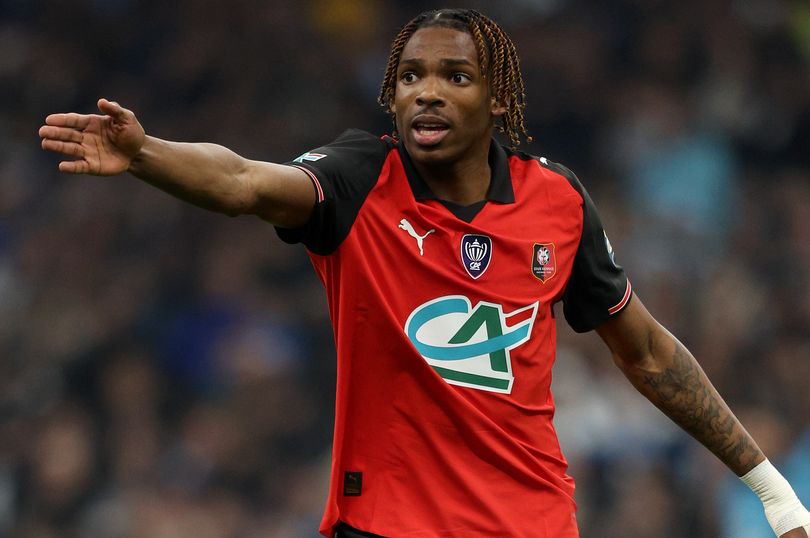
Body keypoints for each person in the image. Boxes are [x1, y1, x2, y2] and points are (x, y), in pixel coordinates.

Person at [38, 8, 809, 538]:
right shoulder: (356, 178)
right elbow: (243, 181)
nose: (427, 91)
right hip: (385, 525)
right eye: (409, 76)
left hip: (529, 524)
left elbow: (647, 353)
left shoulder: (558, 202)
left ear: (497, 98)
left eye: (454, 76)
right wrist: (146, 154)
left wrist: (770, 488)